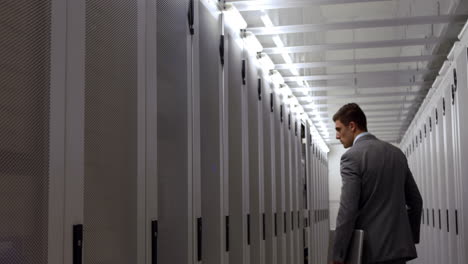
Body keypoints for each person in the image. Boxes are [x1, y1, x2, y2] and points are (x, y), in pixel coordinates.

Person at [331, 103, 423, 264]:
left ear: (352, 126)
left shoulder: (351, 157)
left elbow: (348, 210)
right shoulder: (396, 154)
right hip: (398, 251)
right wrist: (409, 237)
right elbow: (416, 201)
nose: (337, 136)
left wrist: (338, 255)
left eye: (338, 129)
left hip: (368, 252)